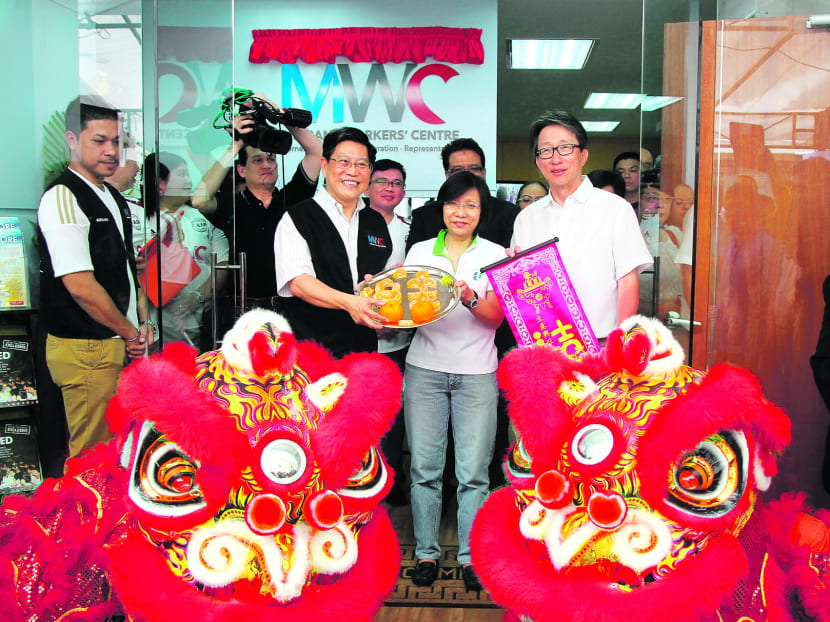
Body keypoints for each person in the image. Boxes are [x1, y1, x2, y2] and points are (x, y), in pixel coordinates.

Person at [37, 95, 155, 469]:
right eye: (99, 141)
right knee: (92, 462)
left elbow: (125, 270)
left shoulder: (111, 196)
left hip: (116, 342)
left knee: (121, 454)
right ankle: (80, 528)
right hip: (86, 348)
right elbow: (81, 287)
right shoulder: (63, 197)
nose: (111, 151)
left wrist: (141, 324)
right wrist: (130, 333)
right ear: (72, 140)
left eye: (117, 142)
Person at [403, 171, 506, 593]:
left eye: (470, 206)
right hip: (424, 368)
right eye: (452, 204)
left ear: (482, 213)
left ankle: (469, 556)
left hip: (478, 372)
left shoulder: (497, 253)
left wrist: (467, 296)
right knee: (424, 469)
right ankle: (426, 552)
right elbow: (403, 311)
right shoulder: (420, 251)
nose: (460, 213)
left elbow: (496, 318)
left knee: (473, 473)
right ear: (441, 209)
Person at [511, 110, 652, 341]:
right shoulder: (527, 218)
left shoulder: (615, 208)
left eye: (565, 148)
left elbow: (627, 282)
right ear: (538, 161)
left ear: (583, 155)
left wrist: (618, 344)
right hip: (548, 346)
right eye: (546, 150)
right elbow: (525, 291)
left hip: (603, 342)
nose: (555, 159)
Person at [193, 99, 323, 312]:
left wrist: (283, 119)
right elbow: (199, 199)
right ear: (241, 170)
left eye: (271, 159)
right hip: (242, 305)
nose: (266, 165)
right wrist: (235, 145)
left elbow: (317, 152)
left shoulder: (291, 198)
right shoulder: (232, 204)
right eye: (257, 160)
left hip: (288, 306)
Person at [274, 127, 392, 357]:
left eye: (361, 164)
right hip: (311, 354)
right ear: (325, 165)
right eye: (344, 162)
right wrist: (350, 303)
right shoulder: (298, 217)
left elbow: (372, 279)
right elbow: (299, 283)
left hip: (363, 352)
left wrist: (389, 284)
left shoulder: (375, 220)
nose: (352, 171)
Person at [139, 152, 230, 349]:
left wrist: (197, 297)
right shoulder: (140, 221)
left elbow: (222, 265)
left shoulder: (202, 217)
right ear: (160, 184)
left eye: (188, 174)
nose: (189, 180)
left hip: (201, 325)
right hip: (156, 332)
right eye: (181, 174)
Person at [365, 158, 412, 506]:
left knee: (393, 416)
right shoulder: (352, 223)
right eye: (382, 181)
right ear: (367, 187)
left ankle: (392, 482)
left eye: (396, 183)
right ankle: (360, 485)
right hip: (358, 334)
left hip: (397, 339)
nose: (389, 188)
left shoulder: (410, 229)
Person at [406, 138, 519, 251]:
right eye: (458, 169)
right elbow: (414, 267)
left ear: (484, 173)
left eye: (474, 168)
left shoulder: (508, 213)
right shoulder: (424, 216)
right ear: (447, 175)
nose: (467, 174)